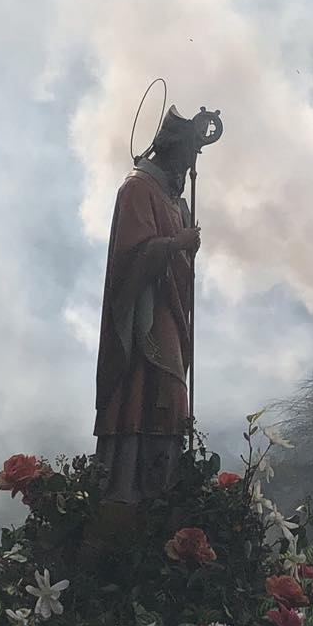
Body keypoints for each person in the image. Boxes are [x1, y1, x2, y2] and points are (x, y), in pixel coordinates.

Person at [94, 106, 203, 502]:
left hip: (170, 308)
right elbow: (130, 255)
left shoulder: (173, 198)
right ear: (172, 150)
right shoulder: (138, 188)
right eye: (188, 156)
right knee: (148, 389)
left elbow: (179, 256)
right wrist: (176, 244)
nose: (190, 167)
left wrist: (185, 247)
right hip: (145, 311)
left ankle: (164, 488)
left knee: (171, 393)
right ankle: (128, 489)